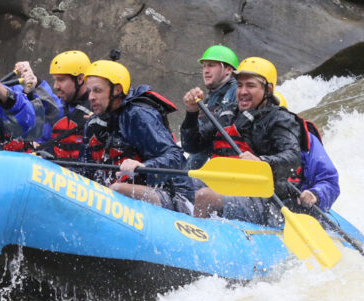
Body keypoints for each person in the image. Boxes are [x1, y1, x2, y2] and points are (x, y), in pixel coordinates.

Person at [181, 57, 301, 225]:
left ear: (268, 89)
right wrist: (191, 114)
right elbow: (192, 146)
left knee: (204, 196)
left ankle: (194, 237)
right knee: (178, 184)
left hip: (261, 198)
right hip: (221, 184)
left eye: (250, 85)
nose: (242, 91)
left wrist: (261, 161)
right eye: (239, 85)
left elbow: (293, 159)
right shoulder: (227, 113)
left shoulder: (280, 119)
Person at [84, 59, 193, 213]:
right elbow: (85, 170)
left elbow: (176, 158)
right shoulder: (95, 121)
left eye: (97, 91)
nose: (91, 97)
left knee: (116, 189)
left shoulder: (139, 115)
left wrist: (144, 167)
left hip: (175, 197)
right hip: (131, 193)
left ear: (117, 90)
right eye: (89, 91)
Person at [274, 91, 340, 212]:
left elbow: (329, 182)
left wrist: (315, 194)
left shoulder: (306, 140)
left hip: (297, 206)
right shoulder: (244, 135)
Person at [186, 45, 239, 170]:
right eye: (204, 66)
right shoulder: (212, 97)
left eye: (211, 65)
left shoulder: (237, 90)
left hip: (229, 161)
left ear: (228, 70)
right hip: (212, 158)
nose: (206, 70)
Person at [41, 50, 92, 160]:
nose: (55, 86)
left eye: (60, 80)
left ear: (79, 79)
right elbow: (43, 140)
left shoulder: (98, 109)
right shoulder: (57, 108)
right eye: (55, 80)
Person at [14, 59, 63, 149]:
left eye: (60, 80)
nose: (55, 86)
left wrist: (36, 82)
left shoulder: (60, 108)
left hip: (47, 157)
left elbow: (55, 108)